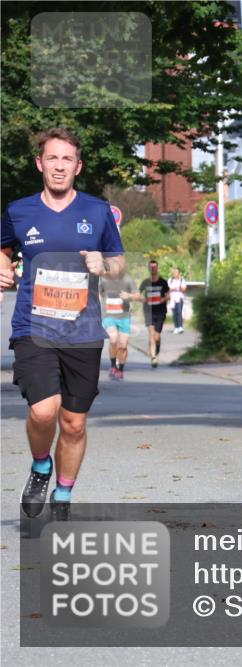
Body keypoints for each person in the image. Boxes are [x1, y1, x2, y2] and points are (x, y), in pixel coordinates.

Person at [0, 127, 125, 520]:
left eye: (66, 159)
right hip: (33, 326)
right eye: (51, 158)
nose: (58, 166)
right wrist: (2, 266)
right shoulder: (19, 211)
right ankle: (41, 467)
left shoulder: (96, 210)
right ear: (40, 164)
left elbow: (119, 262)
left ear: (77, 166)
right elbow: (2, 248)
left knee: (73, 423)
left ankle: (64, 496)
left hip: (83, 330)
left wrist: (102, 265)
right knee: (43, 411)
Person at [99, 271, 138, 380]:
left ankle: (120, 369)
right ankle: (112, 366)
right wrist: (100, 306)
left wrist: (129, 295)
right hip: (109, 316)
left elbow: (137, 295)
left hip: (124, 317)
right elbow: (100, 293)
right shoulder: (104, 279)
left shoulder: (128, 279)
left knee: (123, 346)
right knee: (113, 339)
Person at [138, 259, 169, 367]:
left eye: (154, 267)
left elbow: (168, 295)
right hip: (148, 311)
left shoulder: (163, 282)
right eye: (151, 267)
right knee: (151, 334)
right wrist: (142, 299)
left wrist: (163, 299)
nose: (153, 269)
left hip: (160, 311)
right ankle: (153, 358)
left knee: (156, 336)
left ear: (157, 268)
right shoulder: (145, 282)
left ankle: (156, 347)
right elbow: (139, 294)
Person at [168, 266, 187, 333]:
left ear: (179, 273)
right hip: (172, 298)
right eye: (174, 272)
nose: (174, 273)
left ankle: (180, 327)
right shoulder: (170, 280)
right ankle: (176, 327)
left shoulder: (182, 280)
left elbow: (184, 289)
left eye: (176, 272)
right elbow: (168, 289)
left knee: (179, 312)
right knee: (174, 313)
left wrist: (179, 288)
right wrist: (174, 289)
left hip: (180, 298)